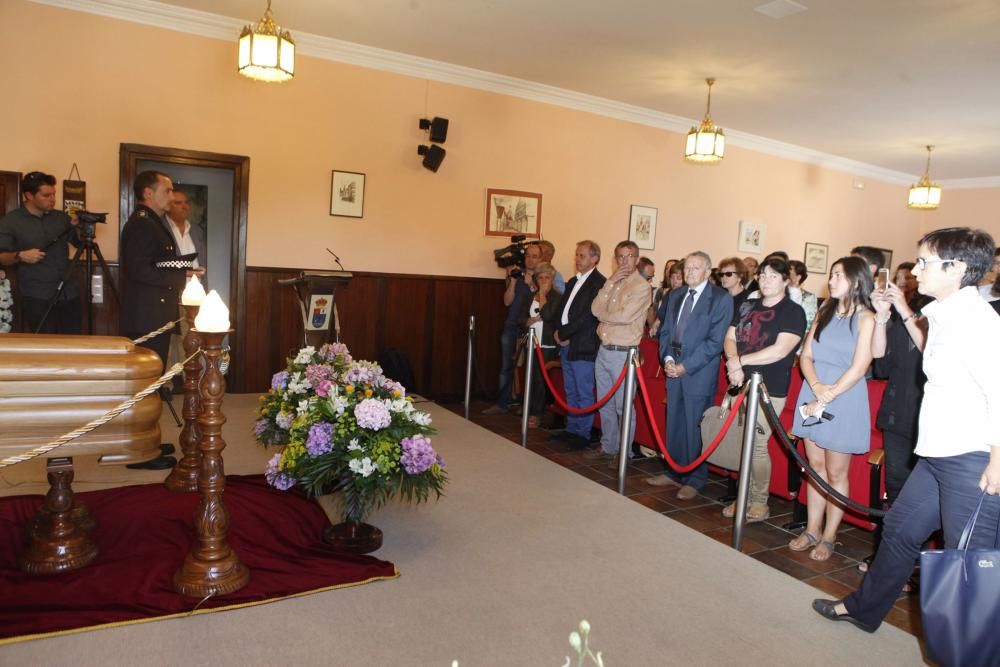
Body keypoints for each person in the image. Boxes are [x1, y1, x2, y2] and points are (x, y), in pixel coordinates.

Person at [814, 227, 1000, 634]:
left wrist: (998, 463)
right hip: (936, 457)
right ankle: (863, 610)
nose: (915, 270)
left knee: (969, 562)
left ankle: (973, 651)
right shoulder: (945, 314)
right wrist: (898, 311)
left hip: (972, 461)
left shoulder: (978, 320)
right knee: (898, 532)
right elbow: (931, 351)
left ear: (958, 268)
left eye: (924, 262)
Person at [788, 256, 875, 561]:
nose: (832, 280)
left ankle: (829, 535)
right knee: (815, 469)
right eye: (832, 274)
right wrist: (816, 387)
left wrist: (827, 395)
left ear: (856, 280)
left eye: (839, 275)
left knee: (837, 472)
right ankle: (811, 529)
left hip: (844, 395)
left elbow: (861, 365)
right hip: (814, 389)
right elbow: (806, 354)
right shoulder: (825, 309)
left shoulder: (866, 317)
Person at [722, 257, 806, 521]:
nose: (766, 280)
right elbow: (730, 336)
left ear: (785, 281)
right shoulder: (748, 305)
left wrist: (739, 361)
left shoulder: (792, 311)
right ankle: (741, 496)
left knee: (757, 444)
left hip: (770, 387)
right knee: (740, 442)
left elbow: (780, 350)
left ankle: (759, 500)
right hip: (739, 381)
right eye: (763, 275)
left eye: (773, 276)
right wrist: (734, 364)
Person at [647, 251, 733, 499]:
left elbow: (715, 342)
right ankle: (674, 471)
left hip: (698, 372)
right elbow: (665, 333)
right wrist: (669, 359)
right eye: (687, 268)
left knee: (695, 426)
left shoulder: (720, 299)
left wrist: (686, 366)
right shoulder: (675, 295)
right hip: (673, 368)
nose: (689, 272)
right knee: (673, 420)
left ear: (707, 272)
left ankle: (695, 478)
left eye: (696, 268)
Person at [583, 241, 652, 467]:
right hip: (604, 349)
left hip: (623, 352)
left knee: (623, 405)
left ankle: (624, 453)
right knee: (605, 403)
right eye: (620, 256)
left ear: (636, 259)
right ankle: (608, 446)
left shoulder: (641, 286)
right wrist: (610, 283)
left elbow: (624, 317)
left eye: (630, 256)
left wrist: (604, 314)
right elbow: (594, 308)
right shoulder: (612, 282)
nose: (625, 261)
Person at [119, 170, 189, 366]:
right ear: (148, 193)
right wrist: (180, 276)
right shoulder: (143, 224)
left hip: (154, 314)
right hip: (146, 316)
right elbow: (139, 269)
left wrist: (183, 270)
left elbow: (156, 262)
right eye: (167, 191)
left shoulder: (153, 223)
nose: (172, 197)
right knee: (147, 376)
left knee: (154, 374)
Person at [0, 171, 81, 334]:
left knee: (74, 343)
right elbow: (2, 257)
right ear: (29, 195)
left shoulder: (61, 218)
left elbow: (78, 243)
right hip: (37, 295)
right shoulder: (11, 221)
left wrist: (78, 225)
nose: (53, 199)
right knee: (45, 346)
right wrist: (20, 255)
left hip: (68, 292)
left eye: (54, 194)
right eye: (46, 195)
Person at [551, 241, 606, 449]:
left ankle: (582, 434)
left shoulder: (599, 283)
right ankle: (571, 429)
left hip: (582, 345)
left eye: (582, 255)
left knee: (583, 391)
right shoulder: (573, 281)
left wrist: (565, 333)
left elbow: (588, 316)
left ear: (595, 258)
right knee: (570, 389)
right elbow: (562, 309)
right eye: (577, 255)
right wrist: (557, 331)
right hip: (565, 342)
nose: (577, 259)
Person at [484, 242, 542, 415]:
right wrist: (513, 282)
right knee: (506, 366)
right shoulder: (516, 274)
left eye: (534, 256)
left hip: (530, 328)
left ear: (541, 258)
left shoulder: (543, 277)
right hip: (511, 325)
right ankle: (502, 403)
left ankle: (527, 406)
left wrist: (532, 284)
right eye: (528, 256)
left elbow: (544, 300)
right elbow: (507, 301)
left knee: (531, 369)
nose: (530, 260)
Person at [517, 262, 562, 428]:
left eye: (547, 278)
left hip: (547, 344)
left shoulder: (557, 297)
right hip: (531, 342)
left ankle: (537, 414)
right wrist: (527, 321)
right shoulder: (530, 296)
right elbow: (520, 318)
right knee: (529, 377)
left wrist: (543, 295)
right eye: (540, 277)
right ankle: (527, 408)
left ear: (552, 279)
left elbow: (548, 315)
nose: (543, 281)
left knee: (540, 380)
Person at [788, 260, 819, 333]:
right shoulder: (777, 293)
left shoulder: (809, 297)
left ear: (798, 277)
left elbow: (809, 325)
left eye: (788, 271)